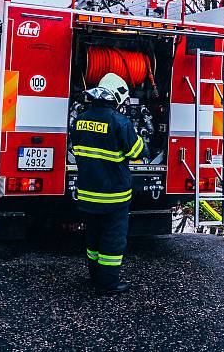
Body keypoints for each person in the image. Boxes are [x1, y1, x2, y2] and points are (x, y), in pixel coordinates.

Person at [70, 73, 145, 294]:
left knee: (93, 236)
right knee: (112, 240)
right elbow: (136, 151)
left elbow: (77, 149)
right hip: (114, 195)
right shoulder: (120, 122)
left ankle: (94, 276)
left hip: (87, 192)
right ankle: (108, 283)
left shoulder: (80, 120)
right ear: (117, 97)